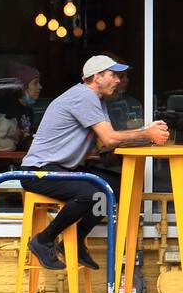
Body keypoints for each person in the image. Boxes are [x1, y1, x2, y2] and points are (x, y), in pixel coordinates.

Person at [20, 55, 168, 271]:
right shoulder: (84, 96)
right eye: (114, 75)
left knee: (116, 187)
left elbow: (103, 144)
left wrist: (142, 139)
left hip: (62, 168)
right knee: (90, 194)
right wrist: (146, 132)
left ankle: (76, 240)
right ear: (97, 77)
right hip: (39, 171)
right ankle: (43, 240)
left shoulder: (98, 101)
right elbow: (109, 137)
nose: (119, 80)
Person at [0, 62, 41, 154]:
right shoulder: (5, 108)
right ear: (23, 87)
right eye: (35, 83)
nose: (40, 87)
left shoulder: (28, 110)